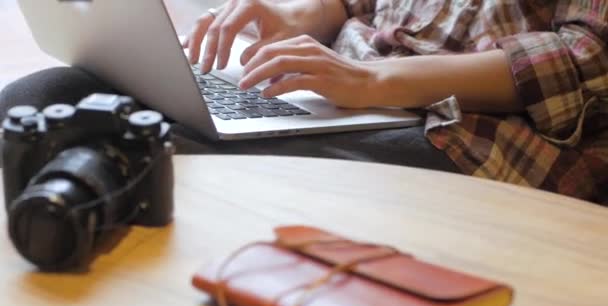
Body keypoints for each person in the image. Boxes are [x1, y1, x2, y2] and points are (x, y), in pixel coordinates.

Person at [1, 0, 607, 205]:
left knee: (175, 159)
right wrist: (285, 18)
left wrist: (375, 84)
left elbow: (590, 56)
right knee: (42, 99)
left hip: (462, 129)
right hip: (344, 86)